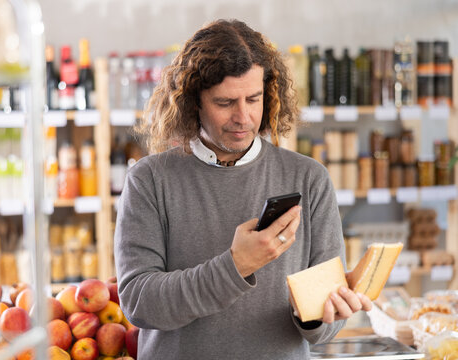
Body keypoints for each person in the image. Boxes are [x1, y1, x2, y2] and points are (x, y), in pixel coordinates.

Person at [114, 19, 372, 359]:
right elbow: (139, 303)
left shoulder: (309, 178)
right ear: (193, 102)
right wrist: (235, 266)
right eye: (225, 103)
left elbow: (322, 330)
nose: (244, 117)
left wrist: (314, 312)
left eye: (254, 98)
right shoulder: (149, 180)